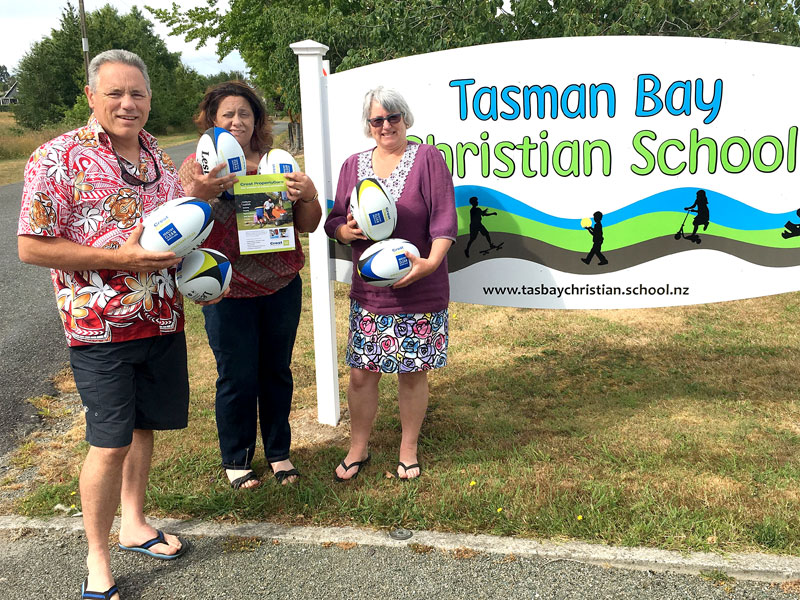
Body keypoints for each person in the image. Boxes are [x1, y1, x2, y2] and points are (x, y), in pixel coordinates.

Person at [17, 49, 232, 600]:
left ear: (150, 99)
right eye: (114, 93)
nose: (127, 103)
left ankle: (134, 522)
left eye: (136, 93)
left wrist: (201, 268)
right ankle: (96, 557)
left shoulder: (158, 154)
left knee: (143, 427)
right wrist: (121, 260)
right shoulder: (57, 157)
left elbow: (172, 226)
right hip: (99, 327)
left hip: (160, 318)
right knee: (108, 442)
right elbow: (30, 248)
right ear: (91, 96)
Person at [179, 81, 321, 490]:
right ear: (212, 120)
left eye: (245, 113)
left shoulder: (278, 161)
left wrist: (308, 194)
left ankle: (279, 453)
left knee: (276, 372)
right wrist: (201, 193)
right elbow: (180, 220)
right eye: (228, 114)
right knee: (236, 376)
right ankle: (237, 458)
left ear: (257, 120)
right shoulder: (196, 166)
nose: (237, 121)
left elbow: (306, 226)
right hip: (226, 291)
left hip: (280, 285)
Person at [324, 87, 457, 481]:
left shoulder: (428, 159)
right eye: (377, 120)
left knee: (413, 372)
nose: (386, 125)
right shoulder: (353, 165)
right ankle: (358, 447)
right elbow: (334, 221)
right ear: (369, 126)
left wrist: (430, 264)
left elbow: (444, 220)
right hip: (370, 294)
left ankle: (408, 448)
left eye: (393, 117)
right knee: (362, 373)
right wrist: (344, 231)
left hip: (419, 287)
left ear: (406, 119)